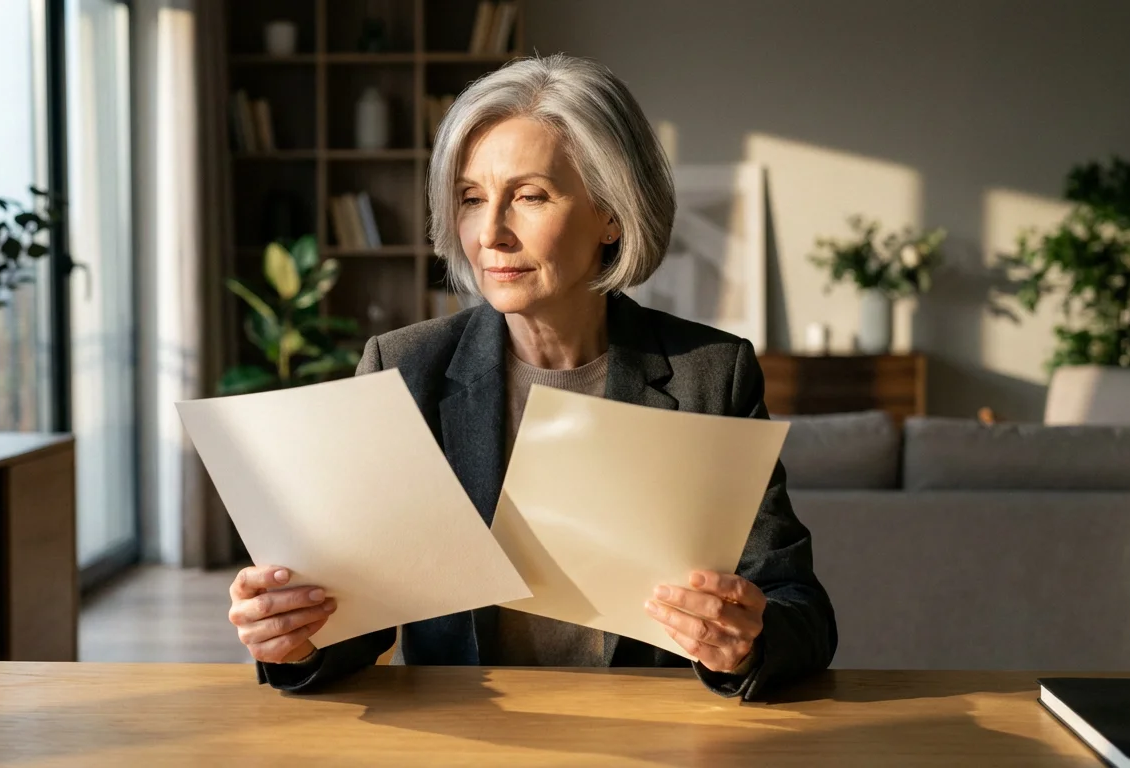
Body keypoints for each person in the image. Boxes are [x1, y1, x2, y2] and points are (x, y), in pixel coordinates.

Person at [228, 53, 836, 700]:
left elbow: (801, 609)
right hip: (468, 738)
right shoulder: (405, 370)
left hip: (653, 735)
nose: (490, 233)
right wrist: (295, 638)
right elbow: (355, 618)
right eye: (470, 199)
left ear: (612, 212)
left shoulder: (710, 375)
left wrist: (745, 643)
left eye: (528, 196)